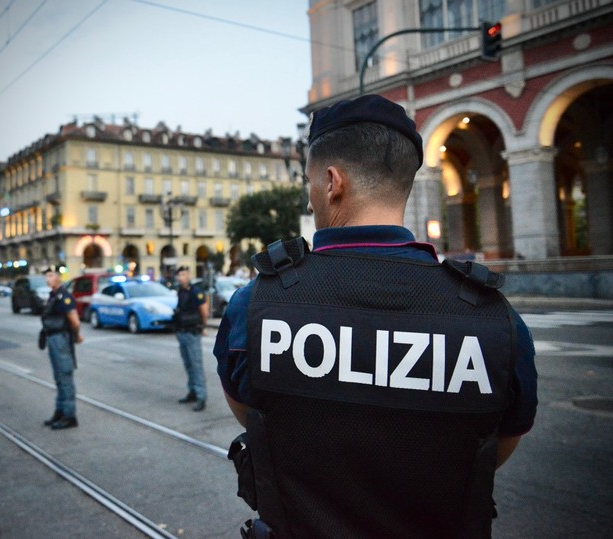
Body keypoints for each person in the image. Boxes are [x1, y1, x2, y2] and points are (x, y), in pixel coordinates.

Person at [214, 94, 538, 538]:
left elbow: (249, 413)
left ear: (331, 182)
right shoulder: (492, 318)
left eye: (309, 182)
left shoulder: (255, 304)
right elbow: (497, 445)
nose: (310, 201)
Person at [40, 265, 82, 429]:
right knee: (58, 377)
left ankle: (70, 416)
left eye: (50, 275)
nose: (47, 279)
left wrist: (77, 335)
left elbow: (75, 321)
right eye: (46, 276)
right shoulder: (53, 295)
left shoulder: (64, 296)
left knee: (65, 377)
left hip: (61, 339)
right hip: (52, 338)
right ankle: (60, 411)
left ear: (58, 277)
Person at [174, 266, 208, 412]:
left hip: (192, 332)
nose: (180, 277)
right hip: (182, 331)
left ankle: (201, 396)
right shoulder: (180, 291)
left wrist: (203, 326)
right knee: (188, 364)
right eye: (179, 275)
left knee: (196, 365)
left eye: (183, 274)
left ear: (188, 275)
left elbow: (204, 310)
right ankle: (193, 391)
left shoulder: (196, 291)